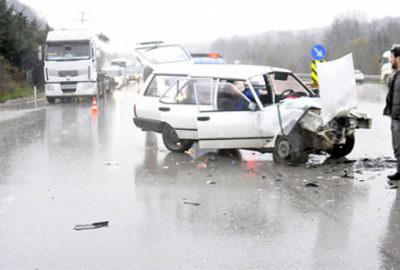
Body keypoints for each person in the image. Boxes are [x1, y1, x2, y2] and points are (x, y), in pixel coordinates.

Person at [384, 45, 400, 180]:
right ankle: (399, 171)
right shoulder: (394, 75)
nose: (390, 60)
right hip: (394, 116)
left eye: (391, 57)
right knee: (397, 146)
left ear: (398, 58)